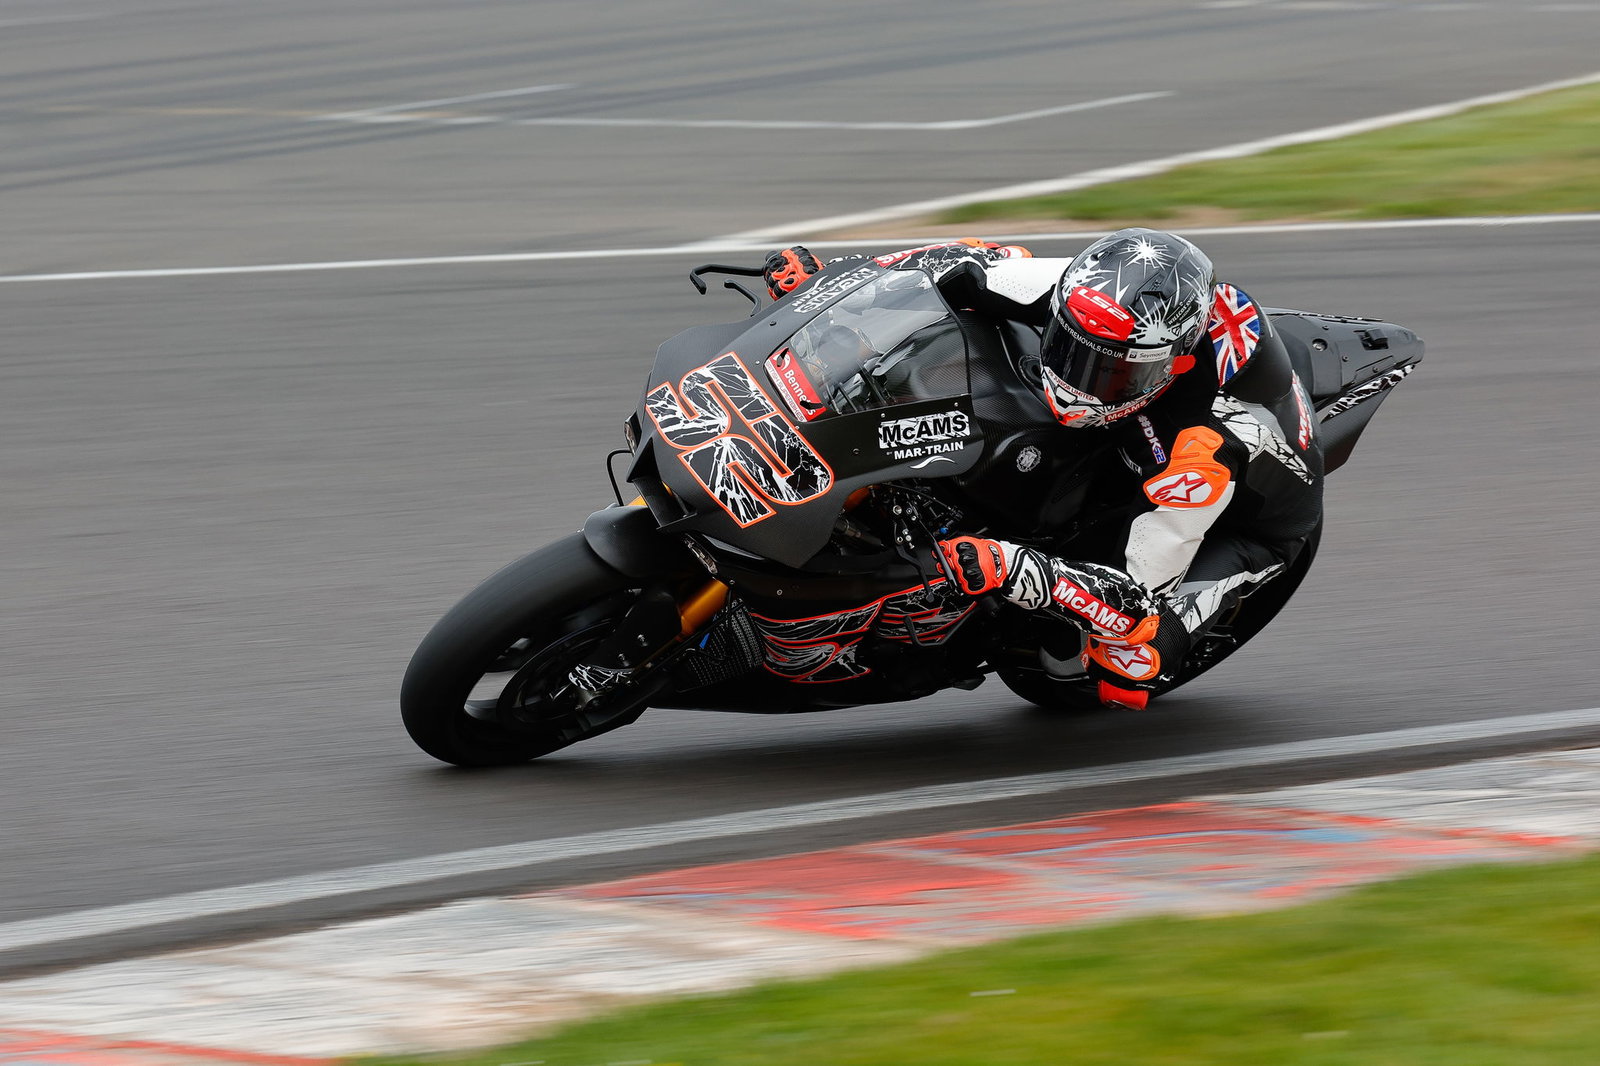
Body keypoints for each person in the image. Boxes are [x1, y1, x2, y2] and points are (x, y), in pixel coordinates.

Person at [763, 230, 1324, 709]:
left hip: (1251, 522)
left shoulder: (1200, 449)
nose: (1076, 379)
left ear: (1170, 366)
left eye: (1109, 373)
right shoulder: (1087, 297)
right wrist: (827, 284)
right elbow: (952, 262)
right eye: (1069, 348)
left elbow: (1134, 599)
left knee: (1135, 660)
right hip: (1144, 419)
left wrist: (1012, 567)